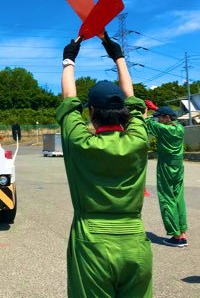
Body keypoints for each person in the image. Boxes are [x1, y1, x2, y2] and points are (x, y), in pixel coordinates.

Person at [56, 33, 152, 298]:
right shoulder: (138, 139)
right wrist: (118, 55)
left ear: (91, 112)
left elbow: (68, 98)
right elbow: (132, 97)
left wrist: (69, 59)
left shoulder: (79, 143)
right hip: (135, 239)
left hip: (92, 241)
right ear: (124, 112)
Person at [144, 104, 188, 248]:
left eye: (160, 118)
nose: (158, 120)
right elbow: (160, 121)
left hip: (166, 166)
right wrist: (157, 109)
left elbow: (147, 122)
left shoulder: (164, 129)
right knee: (178, 197)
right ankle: (182, 233)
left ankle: (176, 236)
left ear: (167, 118)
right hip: (178, 166)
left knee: (167, 197)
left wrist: (147, 111)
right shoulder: (180, 128)